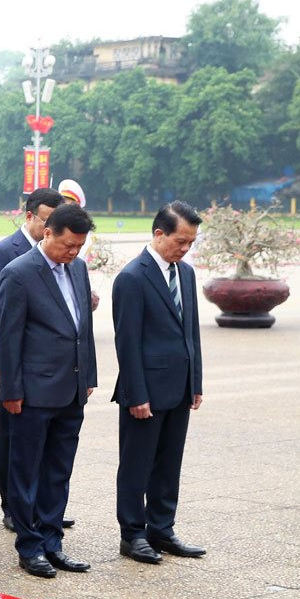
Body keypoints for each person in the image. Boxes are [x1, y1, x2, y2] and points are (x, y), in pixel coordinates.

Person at [0, 203, 98, 578]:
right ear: (48, 232)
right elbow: (8, 337)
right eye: (68, 245)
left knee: (59, 470)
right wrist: (11, 389)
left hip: (71, 389)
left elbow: (81, 328)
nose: (73, 252)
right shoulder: (19, 273)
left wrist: (88, 377)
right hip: (33, 393)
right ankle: (30, 546)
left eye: (79, 246)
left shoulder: (79, 269)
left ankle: (53, 542)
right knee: (26, 472)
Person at [112, 201, 205, 564]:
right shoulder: (133, 277)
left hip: (178, 387)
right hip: (145, 392)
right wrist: (136, 393)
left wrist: (195, 381)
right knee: (137, 464)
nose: (185, 249)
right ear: (158, 233)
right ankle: (133, 534)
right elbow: (127, 342)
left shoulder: (186, 273)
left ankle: (162, 529)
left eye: (191, 243)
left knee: (169, 463)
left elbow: (191, 332)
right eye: (180, 241)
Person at [0, 188, 64, 531]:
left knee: (48, 442)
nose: (52, 229)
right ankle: (12, 505)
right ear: (29, 216)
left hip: (52, 370)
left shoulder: (63, 254)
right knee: (13, 439)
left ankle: (41, 504)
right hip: (15, 364)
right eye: (48, 221)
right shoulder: (5, 252)